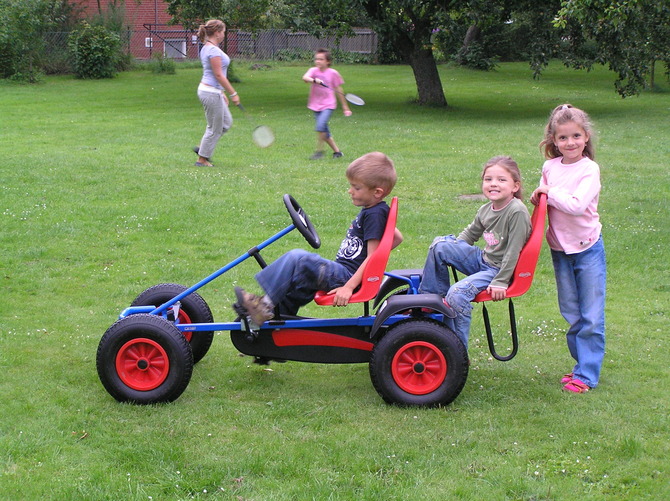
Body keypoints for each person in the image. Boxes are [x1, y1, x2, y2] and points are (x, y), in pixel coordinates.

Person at [234, 152, 403, 326]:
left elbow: (372, 256)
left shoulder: (374, 214)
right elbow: (396, 237)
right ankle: (268, 327)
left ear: (377, 192)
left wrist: (349, 287)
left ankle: (263, 307)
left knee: (298, 258)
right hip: (344, 273)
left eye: (356, 188)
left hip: (346, 276)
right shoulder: (376, 210)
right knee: (298, 282)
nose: (350, 191)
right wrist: (381, 254)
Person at [418, 156, 532, 350]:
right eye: (488, 179)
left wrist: (500, 281)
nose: (493, 184)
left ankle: (456, 351)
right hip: (483, 260)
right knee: (440, 245)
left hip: (497, 271)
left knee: (456, 294)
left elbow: (513, 252)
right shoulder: (486, 208)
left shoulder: (516, 212)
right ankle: (431, 300)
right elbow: (470, 235)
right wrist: (455, 248)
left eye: (501, 180)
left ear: (515, 186)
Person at [530, 104, 606, 394]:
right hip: (560, 249)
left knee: (591, 314)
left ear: (586, 137)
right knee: (572, 312)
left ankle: (587, 375)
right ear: (553, 140)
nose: (570, 143)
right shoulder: (550, 168)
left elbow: (576, 205)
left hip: (587, 249)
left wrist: (550, 192)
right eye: (563, 138)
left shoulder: (589, 169)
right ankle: (580, 366)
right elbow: (544, 200)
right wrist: (540, 197)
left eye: (576, 136)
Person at [192, 20, 240, 167]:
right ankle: (201, 160)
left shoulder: (210, 48)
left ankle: (202, 148)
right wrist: (233, 93)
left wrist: (221, 92)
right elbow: (219, 75)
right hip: (210, 92)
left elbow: (216, 76)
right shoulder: (212, 50)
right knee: (215, 128)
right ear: (217, 32)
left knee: (226, 123)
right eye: (223, 31)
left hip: (213, 91)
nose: (224, 34)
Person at [302, 48, 352, 160]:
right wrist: (315, 80)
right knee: (324, 131)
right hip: (315, 105)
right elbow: (305, 78)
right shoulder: (313, 71)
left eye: (321, 59)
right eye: (316, 59)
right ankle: (337, 152)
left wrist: (345, 107)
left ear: (328, 61)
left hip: (328, 105)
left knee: (320, 126)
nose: (318, 61)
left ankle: (319, 151)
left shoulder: (333, 73)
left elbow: (339, 90)